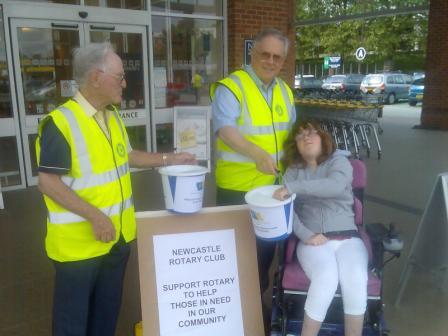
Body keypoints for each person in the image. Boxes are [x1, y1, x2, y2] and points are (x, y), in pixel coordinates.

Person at [35, 42, 195, 336]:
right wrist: (96, 216)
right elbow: (47, 181)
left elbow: (128, 156)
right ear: (96, 77)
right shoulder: (61, 123)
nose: (125, 82)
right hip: (79, 249)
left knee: (105, 316)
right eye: (119, 76)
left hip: (116, 239)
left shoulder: (110, 115)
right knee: (72, 323)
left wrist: (169, 158)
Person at [210, 27, 296, 331]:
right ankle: (237, 316)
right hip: (237, 191)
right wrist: (258, 154)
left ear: (283, 60)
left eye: (277, 56)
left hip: (273, 193)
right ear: (252, 53)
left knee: (264, 255)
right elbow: (225, 130)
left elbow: (291, 137)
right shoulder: (232, 87)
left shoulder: (285, 91)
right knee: (237, 259)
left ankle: (253, 310)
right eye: (265, 54)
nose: (270, 61)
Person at [273, 121, 368, 336]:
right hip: (312, 238)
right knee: (326, 276)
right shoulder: (292, 171)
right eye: (300, 136)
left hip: (348, 237)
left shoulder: (340, 162)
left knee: (355, 276)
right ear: (294, 145)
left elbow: (333, 186)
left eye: (312, 132)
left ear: (322, 137)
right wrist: (306, 235)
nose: (306, 138)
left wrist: (293, 188)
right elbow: (287, 211)